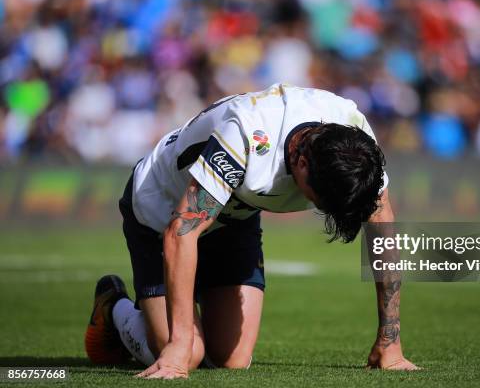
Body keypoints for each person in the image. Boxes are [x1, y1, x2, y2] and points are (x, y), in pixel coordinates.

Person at [84, 83, 420, 378]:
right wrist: (177, 346)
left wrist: (389, 341)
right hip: (160, 213)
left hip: (234, 216)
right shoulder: (247, 133)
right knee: (187, 356)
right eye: (323, 201)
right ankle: (115, 308)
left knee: (232, 360)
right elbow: (181, 231)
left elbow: (382, 231)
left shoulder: (355, 138)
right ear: (302, 165)